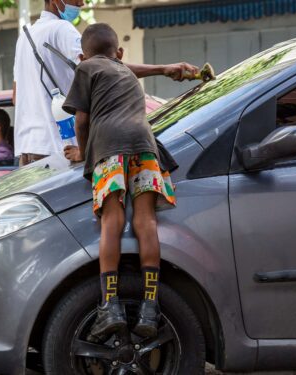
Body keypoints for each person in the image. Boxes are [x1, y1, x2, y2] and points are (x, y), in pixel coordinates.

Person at [62, 23, 177, 341]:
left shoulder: (86, 68)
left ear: (82, 55)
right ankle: (149, 309)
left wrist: (82, 153)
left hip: (109, 146)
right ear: (120, 53)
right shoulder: (124, 71)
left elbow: (82, 119)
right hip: (144, 145)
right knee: (146, 220)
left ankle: (109, 307)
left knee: (113, 219)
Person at [12, 0, 199, 166]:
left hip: (27, 151)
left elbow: (15, 97)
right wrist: (162, 69)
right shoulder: (61, 28)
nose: (81, 3)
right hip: (60, 150)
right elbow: (106, 67)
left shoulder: (25, 37)